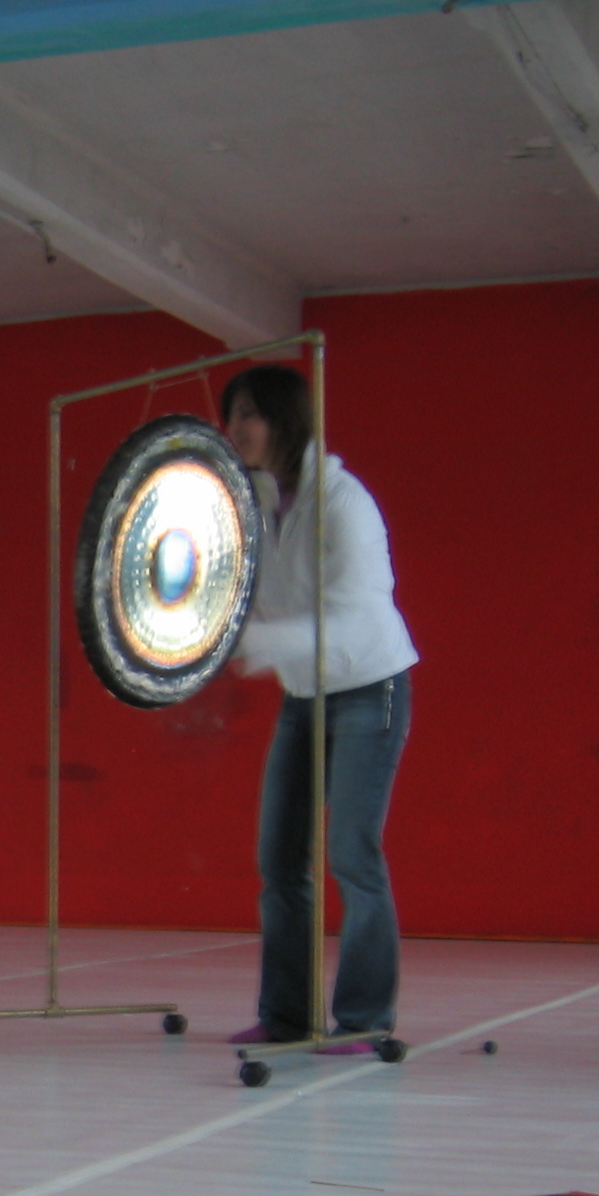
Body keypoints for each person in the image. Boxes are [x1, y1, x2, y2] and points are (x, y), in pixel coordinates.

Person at [221, 365, 418, 1047]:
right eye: (231, 415)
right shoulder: (251, 502)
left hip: (371, 686)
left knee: (351, 853)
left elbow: (355, 620)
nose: (234, 429)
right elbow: (243, 591)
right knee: (279, 858)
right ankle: (286, 1016)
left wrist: (261, 642)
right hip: (304, 696)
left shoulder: (343, 502)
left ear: (284, 419)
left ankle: (365, 1018)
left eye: (248, 414)